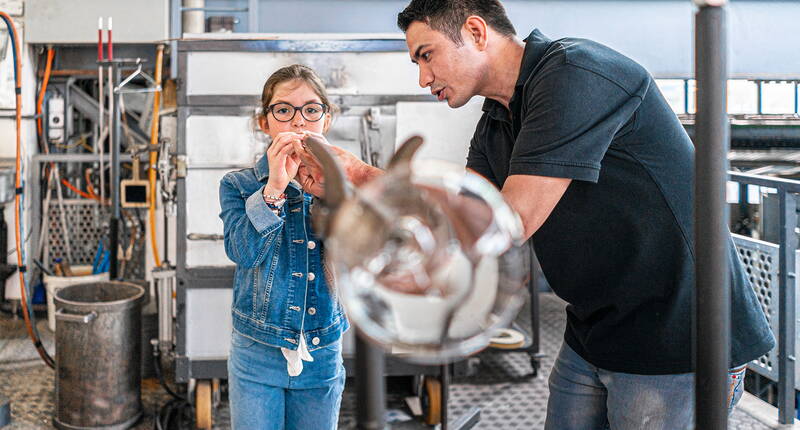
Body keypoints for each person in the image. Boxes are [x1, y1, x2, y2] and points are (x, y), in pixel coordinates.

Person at [293, 1, 776, 428]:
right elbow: (464, 218)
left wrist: (359, 175)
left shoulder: (575, 74)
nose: (423, 78)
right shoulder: (496, 119)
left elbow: (508, 222)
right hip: (595, 329)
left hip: (676, 339)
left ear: (477, 32)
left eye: (426, 54)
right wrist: (356, 197)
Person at [219, 64, 348, 430]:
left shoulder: (345, 182)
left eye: (311, 109)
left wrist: (334, 191)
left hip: (322, 348)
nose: (298, 122)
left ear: (326, 118)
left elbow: (363, 257)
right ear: (265, 123)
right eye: (283, 110)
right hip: (257, 350)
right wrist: (274, 189)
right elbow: (242, 253)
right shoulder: (239, 184)